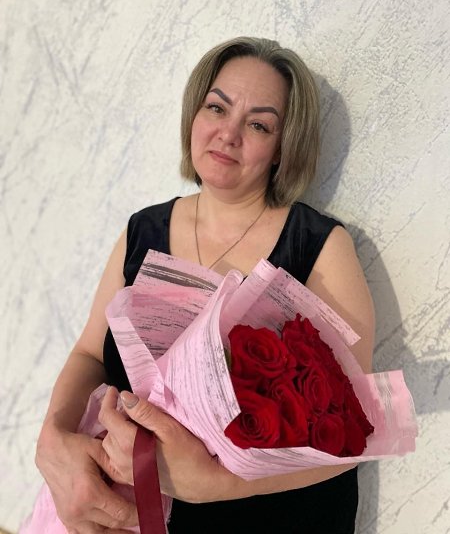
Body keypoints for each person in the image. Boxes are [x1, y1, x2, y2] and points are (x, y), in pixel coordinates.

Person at [35, 37, 374, 534]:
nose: (228, 134)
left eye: (258, 124)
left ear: (283, 149)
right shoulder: (143, 230)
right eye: (216, 107)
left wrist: (213, 482)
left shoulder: (318, 246)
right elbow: (90, 354)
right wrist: (53, 436)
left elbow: (354, 435)